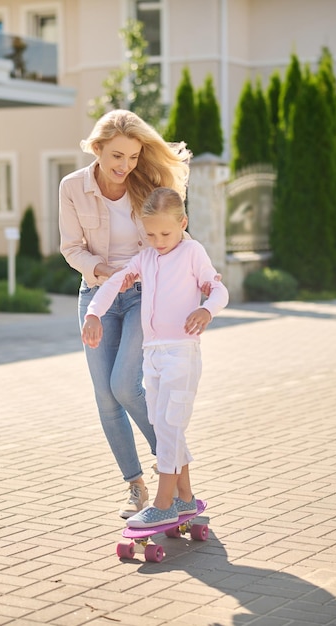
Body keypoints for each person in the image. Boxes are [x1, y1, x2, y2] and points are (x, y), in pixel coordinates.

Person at [59, 109, 196, 519]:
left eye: (133, 157)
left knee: (125, 384)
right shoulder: (72, 187)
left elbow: (173, 235)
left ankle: (173, 468)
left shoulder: (148, 184)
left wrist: (199, 274)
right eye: (117, 156)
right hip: (98, 294)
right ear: (97, 149)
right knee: (105, 397)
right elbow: (71, 249)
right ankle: (136, 485)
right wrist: (103, 271)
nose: (125, 166)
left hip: (142, 295)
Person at [81, 187, 229, 528]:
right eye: (150, 234)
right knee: (165, 428)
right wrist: (93, 314)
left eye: (165, 232)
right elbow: (114, 282)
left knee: (169, 425)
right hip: (153, 355)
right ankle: (187, 499)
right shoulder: (145, 258)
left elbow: (218, 289)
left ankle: (165, 503)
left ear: (183, 223)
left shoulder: (192, 252)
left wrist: (207, 310)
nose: (158, 240)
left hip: (181, 353)